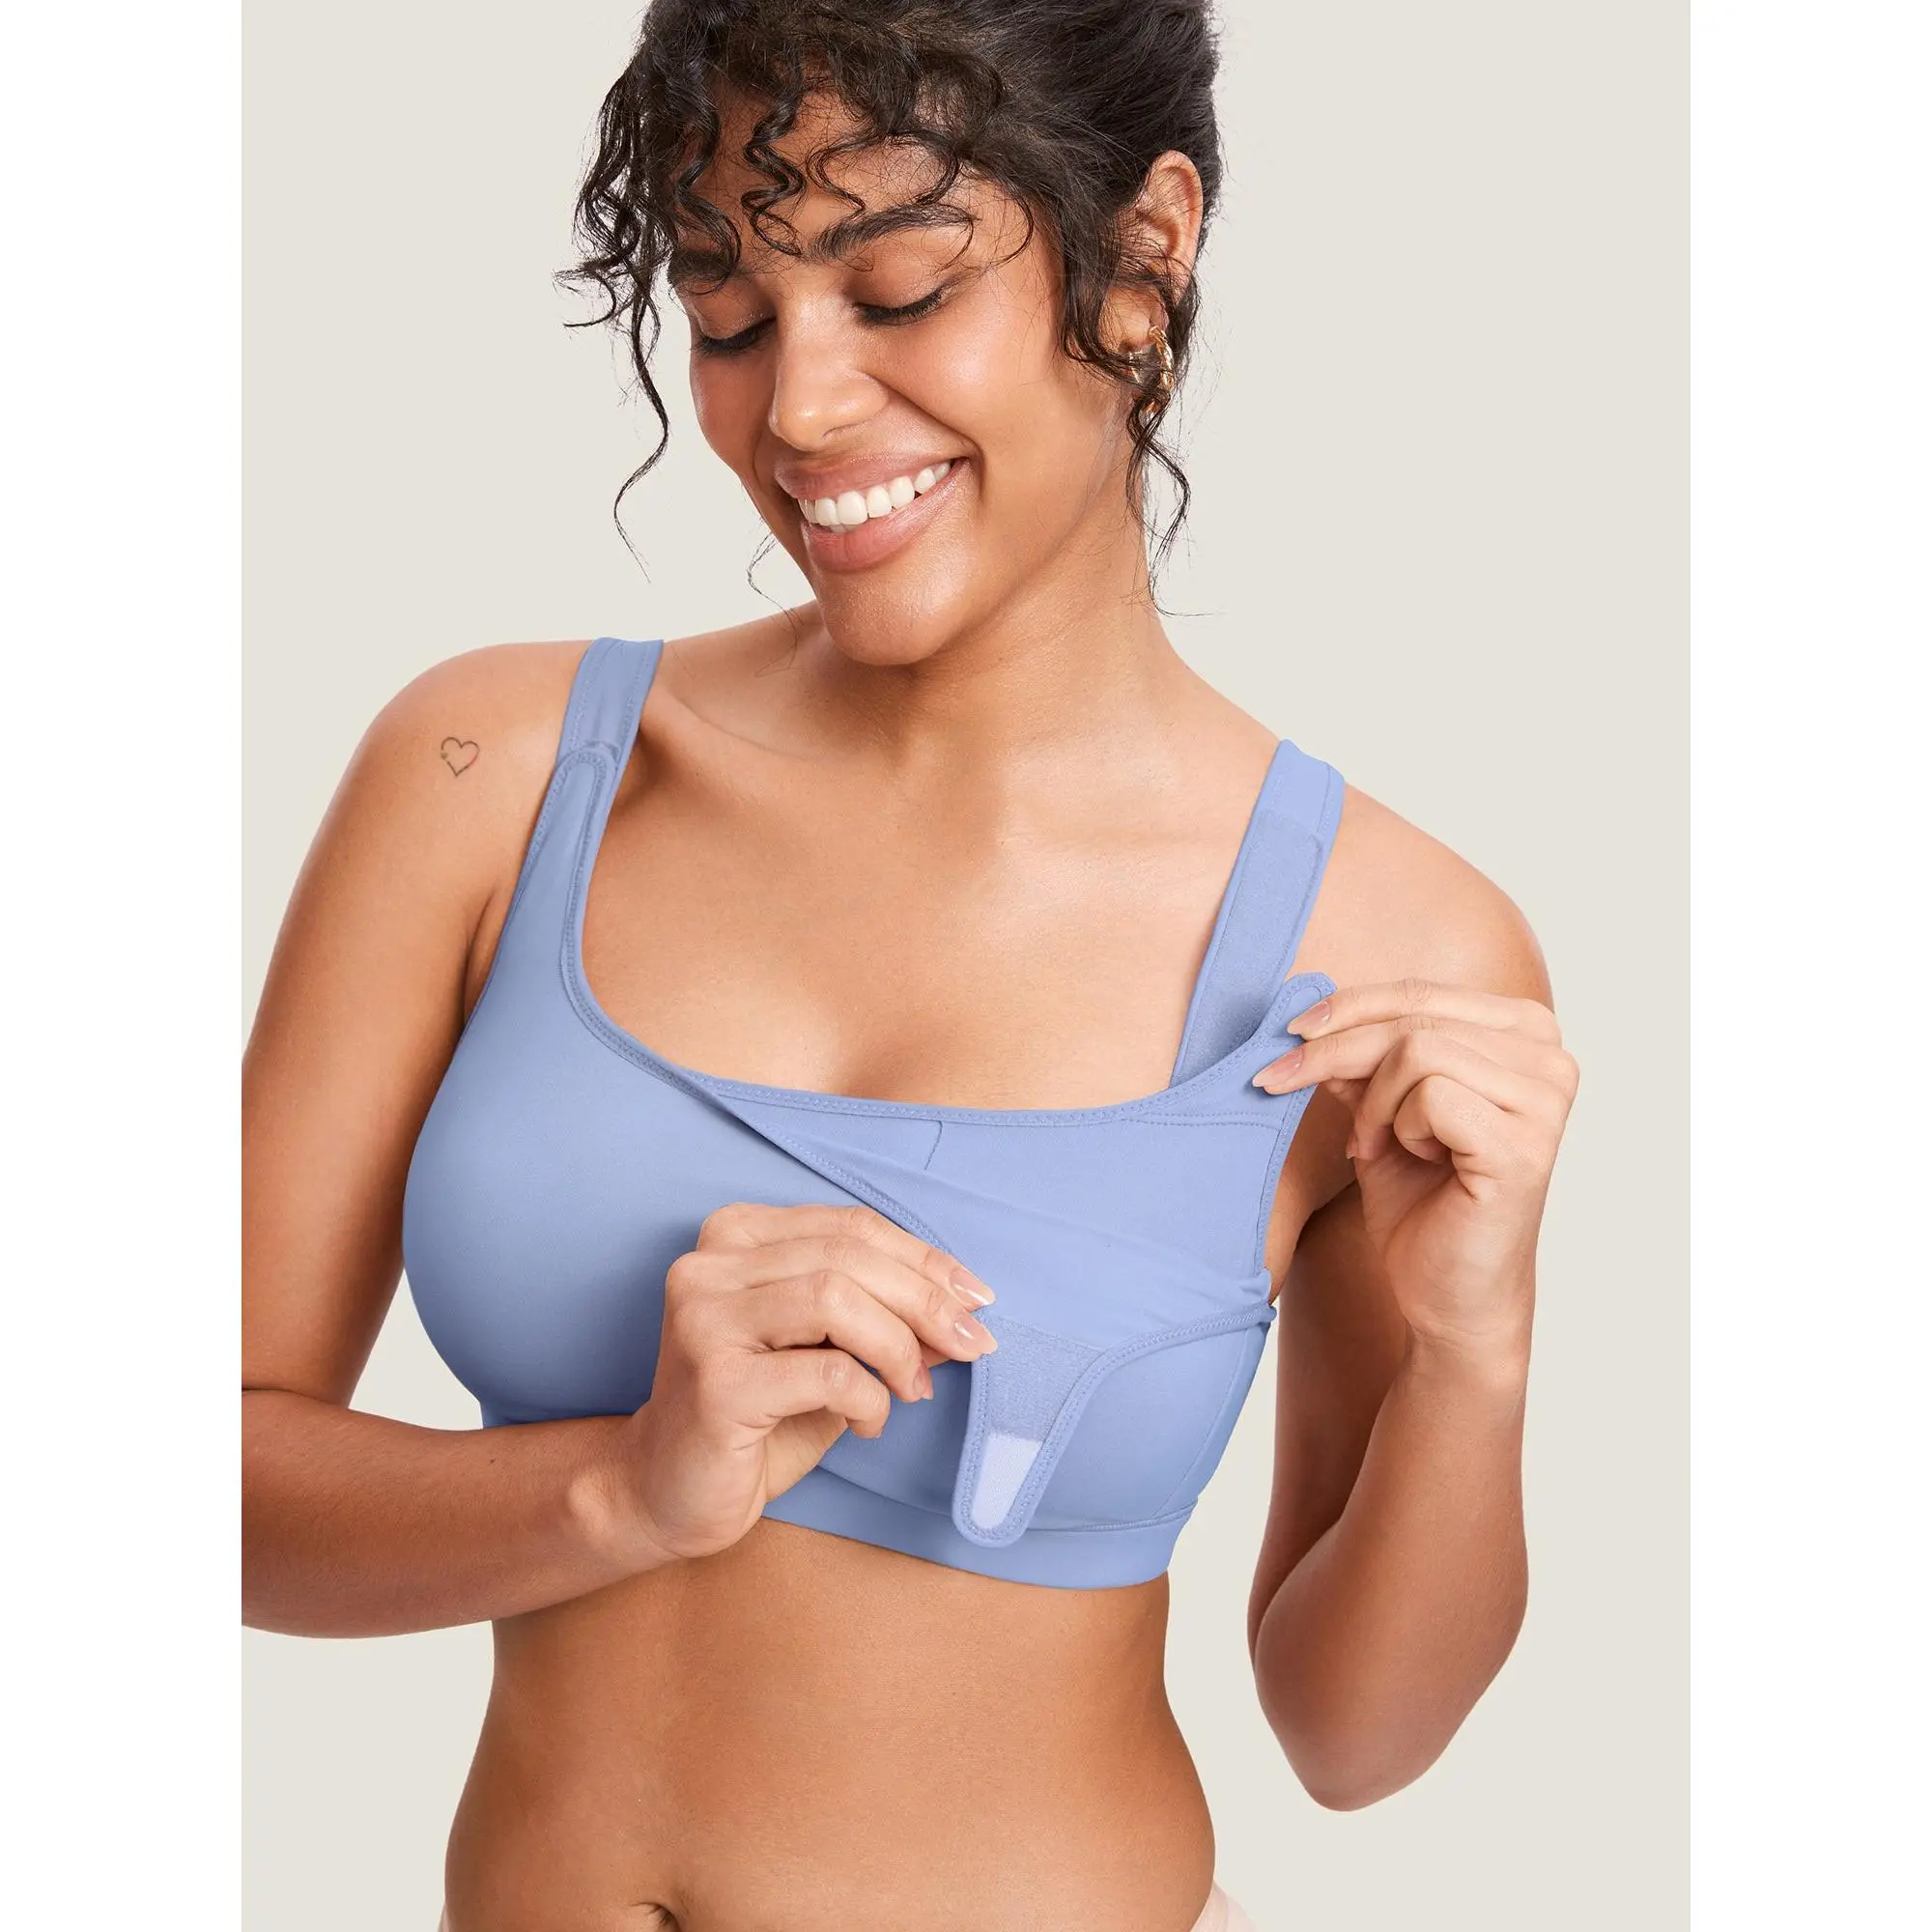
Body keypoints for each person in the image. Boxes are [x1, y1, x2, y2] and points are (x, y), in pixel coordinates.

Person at [242, 4, 1580, 1928]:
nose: (796, 409)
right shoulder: (496, 774)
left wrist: (1477, 1342)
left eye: (897, 291)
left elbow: (1353, 1737)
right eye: (727, 313)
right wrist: (624, 1486)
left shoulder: (1385, 945)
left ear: (1143, 255)